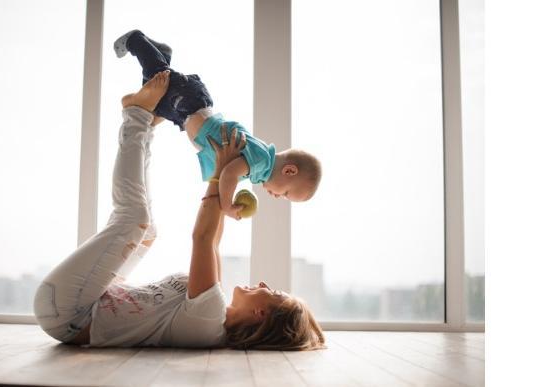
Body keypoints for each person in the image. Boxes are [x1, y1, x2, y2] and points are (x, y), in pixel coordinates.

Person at [32, 71, 325, 350]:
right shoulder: (214, 305)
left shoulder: (209, 321)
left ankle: (136, 115)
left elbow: (201, 237)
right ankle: (143, 124)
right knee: (146, 231)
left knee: (134, 219)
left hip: (68, 314)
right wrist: (226, 191)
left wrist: (221, 173)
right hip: (85, 301)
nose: (264, 283)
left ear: (262, 314)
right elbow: (213, 243)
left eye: (272, 292)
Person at [113, 29, 323, 220]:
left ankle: (162, 54)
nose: (278, 197)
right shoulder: (260, 162)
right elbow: (228, 174)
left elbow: (228, 172)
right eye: (285, 193)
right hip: (188, 103)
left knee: (151, 105)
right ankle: (136, 41)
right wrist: (226, 206)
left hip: (187, 111)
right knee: (157, 77)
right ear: (289, 171)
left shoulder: (258, 164)